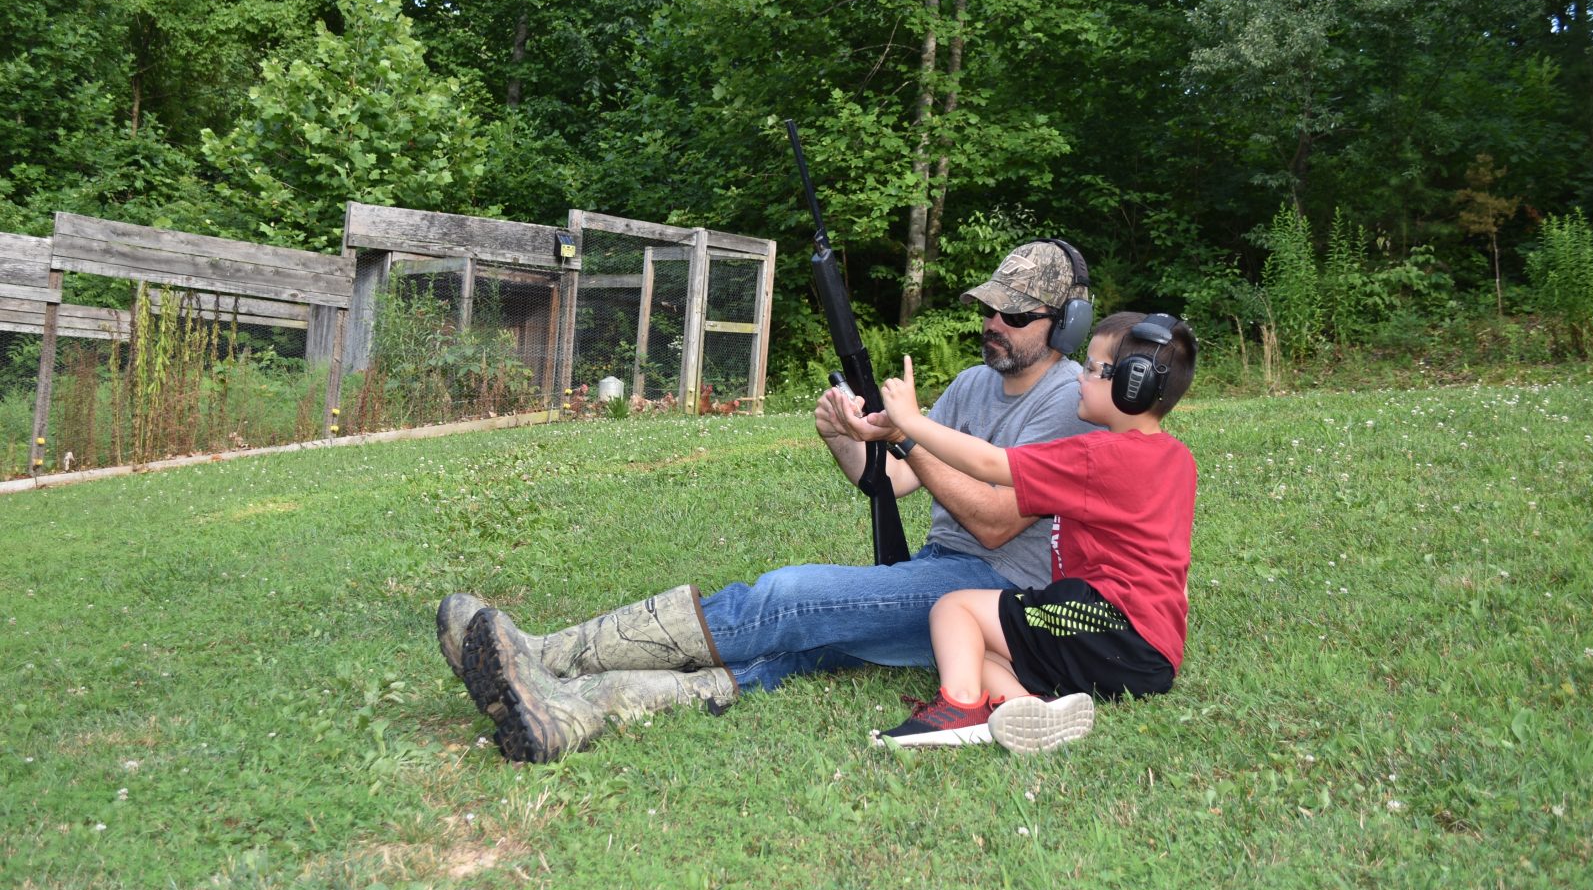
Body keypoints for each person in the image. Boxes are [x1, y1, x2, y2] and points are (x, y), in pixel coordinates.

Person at [436, 239, 1103, 763]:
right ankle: (577, 711)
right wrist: (843, 437)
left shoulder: (1068, 405)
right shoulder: (969, 385)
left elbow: (992, 525)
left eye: (1013, 315)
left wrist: (909, 435)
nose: (993, 323)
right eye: (988, 307)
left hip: (996, 594)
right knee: (798, 649)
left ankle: (548, 655)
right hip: (938, 576)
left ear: (1067, 325)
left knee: (785, 598)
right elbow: (893, 481)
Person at [872, 311, 1198, 753]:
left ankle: (960, 706)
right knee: (982, 647)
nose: (1078, 379)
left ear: (1130, 382)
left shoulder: (1096, 455)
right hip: (1151, 654)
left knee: (954, 610)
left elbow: (989, 464)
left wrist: (910, 424)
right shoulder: (1177, 458)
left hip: (1106, 621)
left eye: (1090, 368)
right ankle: (1025, 708)